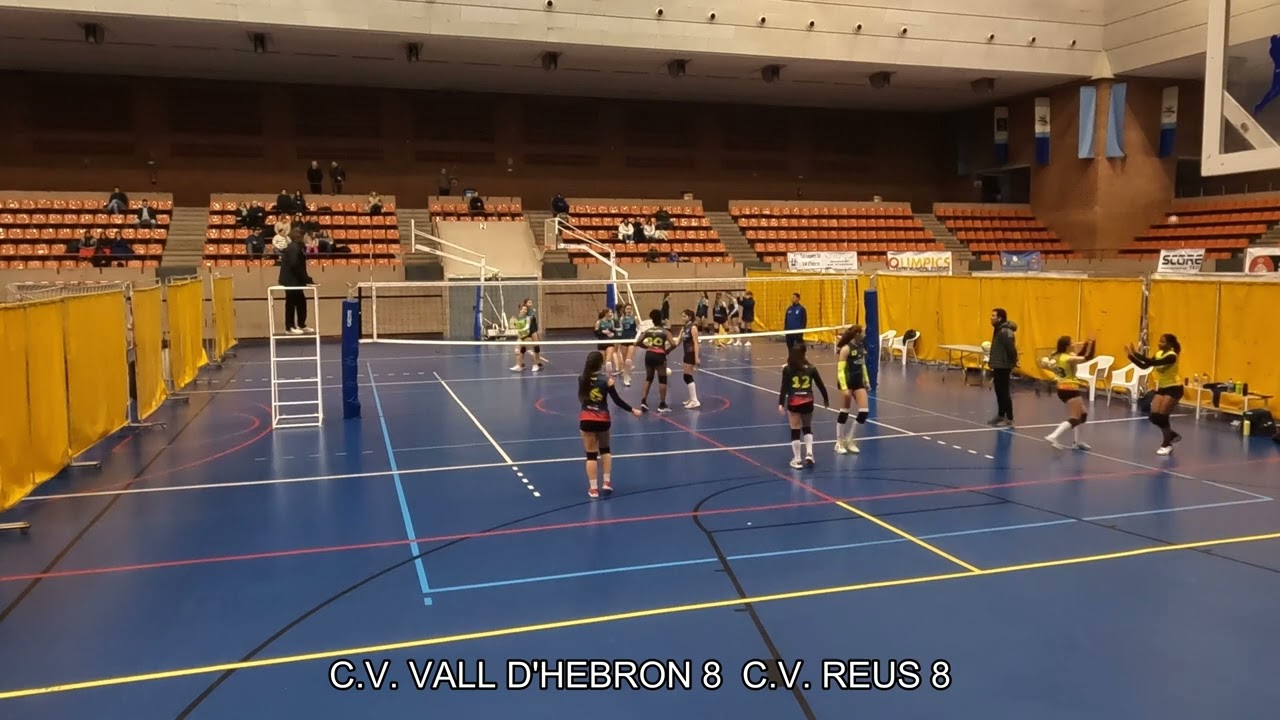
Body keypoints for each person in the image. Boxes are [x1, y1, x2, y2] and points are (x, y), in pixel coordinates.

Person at [578, 350, 643, 498]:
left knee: (591, 455)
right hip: (603, 419)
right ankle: (606, 482)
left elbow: (581, 399)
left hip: (586, 419)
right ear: (601, 364)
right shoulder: (606, 380)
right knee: (605, 450)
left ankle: (593, 489)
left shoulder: (582, 379)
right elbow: (617, 401)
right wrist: (633, 410)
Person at [1126, 334, 1183, 455]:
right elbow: (1144, 365)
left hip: (1174, 388)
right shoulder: (1158, 353)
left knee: (1163, 416)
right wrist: (1130, 357)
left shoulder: (1172, 356)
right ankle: (1171, 434)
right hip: (1162, 388)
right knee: (1154, 416)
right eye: (1159, 341)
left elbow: (1150, 362)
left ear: (1170, 344)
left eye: (1162, 342)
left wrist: (1135, 353)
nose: (1159, 344)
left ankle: (1167, 444)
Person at [778, 343, 829, 469]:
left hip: (794, 402)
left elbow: (784, 387)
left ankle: (797, 459)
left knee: (795, 428)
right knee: (807, 427)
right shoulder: (811, 368)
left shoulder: (788, 369)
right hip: (808, 400)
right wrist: (826, 399)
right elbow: (820, 385)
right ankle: (809, 453)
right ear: (804, 353)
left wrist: (780, 403)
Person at [1041, 336, 1096, 451]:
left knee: (1083, 414)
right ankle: (1053, 436)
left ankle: (1077, 442)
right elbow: (1087, 357)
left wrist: (1086, 345)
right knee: (1075, 418)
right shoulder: (1068, 358)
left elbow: (1077, 357)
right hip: (1070, 389)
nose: (1073, 343)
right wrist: (1093, 343)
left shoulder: (1057, 356)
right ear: (1067, 345)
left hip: (1062, 388)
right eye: (1071, 342)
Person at [835, 324, 871, 454]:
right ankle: (839, 442)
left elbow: (863, 366)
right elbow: (840, 370)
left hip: (858, 382)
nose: (865, 335)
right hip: (847, 382)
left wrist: (866, 380)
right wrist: (844, 388)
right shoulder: (846, 349)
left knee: (863, 412)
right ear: (857, 334)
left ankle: (850, 439)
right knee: (844, 412)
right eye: (863, 333)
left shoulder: (861, 347)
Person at [636, 309, 676, 413]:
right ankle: (662, 404)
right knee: (662, 379)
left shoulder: (648, 331)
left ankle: (643, 401)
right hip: (659, 356)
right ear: (661, 319)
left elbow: (638, 342)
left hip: (649, 355)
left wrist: (647, 347)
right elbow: (673, 344)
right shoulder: (665, 331)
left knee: (649, 377)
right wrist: (666, 351)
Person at [279, 229, 315, 334]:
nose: (307, 238)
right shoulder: (294, 248)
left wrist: (306, 279)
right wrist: (306, 279)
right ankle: (289, 327)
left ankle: (301, 324)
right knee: (291, 303)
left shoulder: (298, 247)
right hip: (291, 280)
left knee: (301, 302)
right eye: (306, 236)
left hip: (296, 280)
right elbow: (295, 265)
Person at [987, 308, 1019, 427]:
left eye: (993, 315)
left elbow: (1010, 348)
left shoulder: (1005, 331)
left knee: (1004, 392)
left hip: (1004, 365)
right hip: (998, 365)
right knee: (999, 391)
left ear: (1000, 318)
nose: (991, 317)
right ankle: (1000, 415)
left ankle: (1009, 418)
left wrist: (1014, 361)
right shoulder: (998, 329)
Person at [510, 298, 545, 372]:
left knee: (534, 349)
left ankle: (536, 364)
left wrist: (537, 332)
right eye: (529, 302)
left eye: (531, 302)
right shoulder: (520, 316)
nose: (531, 304)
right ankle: (520, 365)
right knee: (519, 350)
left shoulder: (530, 314)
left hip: (531, 332)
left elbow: (528, 326)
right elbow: (519, 326)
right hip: (523, 335)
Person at [676, 309, 701, 408]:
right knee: (686, 376)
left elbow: (695, 343)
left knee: (687, 376)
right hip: (686, 353)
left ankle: (695, 400)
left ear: (689, 317)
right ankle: (691, 398)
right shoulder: (684, 328)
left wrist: (696, 358)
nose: (682, 318)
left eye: (684, 316)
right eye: (682, 316)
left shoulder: (693, 327)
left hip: (691, 353)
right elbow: (677, 342)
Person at [617, 303, 638, 386]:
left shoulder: (635, 318)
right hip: (624, 339)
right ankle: (627, 373)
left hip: (632, 340)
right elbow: (620, 330)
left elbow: (639, 328)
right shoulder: (622, 319)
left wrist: (637, 338)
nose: (629, 310)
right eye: (627, 309)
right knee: (625, 360)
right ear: (624, 310)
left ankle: (626, 378)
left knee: (629, 360)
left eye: (630, 309)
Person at [594, 308, 619, 373]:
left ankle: (609, 375)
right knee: (603, 360)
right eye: (610, 312)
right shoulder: (599, 322)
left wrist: (612, 334)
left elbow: (614, 331)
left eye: (612, 312)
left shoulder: (612, 322)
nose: (611, 314)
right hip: (601, 342)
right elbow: (596, 333)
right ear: (606, 313)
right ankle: (604, 373)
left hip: (609, 342)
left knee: (608, 360)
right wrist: (602, 332)